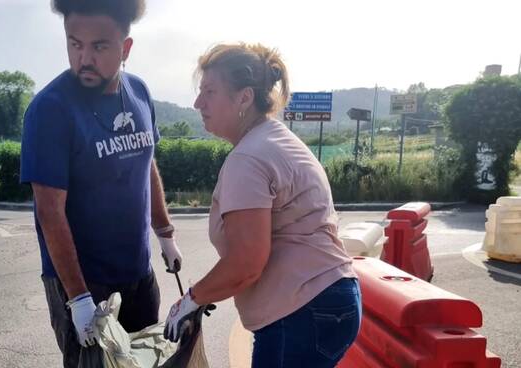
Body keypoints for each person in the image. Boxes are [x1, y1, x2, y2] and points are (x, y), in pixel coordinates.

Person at [164, 43, 362, 367]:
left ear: (244, 97)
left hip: (299, 312)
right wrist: (206, 293)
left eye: (209, 91)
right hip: (326, 299)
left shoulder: (248, 157)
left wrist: (192, 298)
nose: (198, 103)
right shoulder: (274, 138)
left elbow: (246, 263)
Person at [20, 0, 182, 366]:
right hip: (85, 284)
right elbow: (50, 211)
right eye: (74, 44)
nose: (84, 59)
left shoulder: (139, 93)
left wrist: (165, 232)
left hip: (139, 275)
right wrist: (77, 298)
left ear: (125, 48)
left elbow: (147, 164)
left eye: (99, 46)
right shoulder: (50, 110)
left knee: (144, 362)